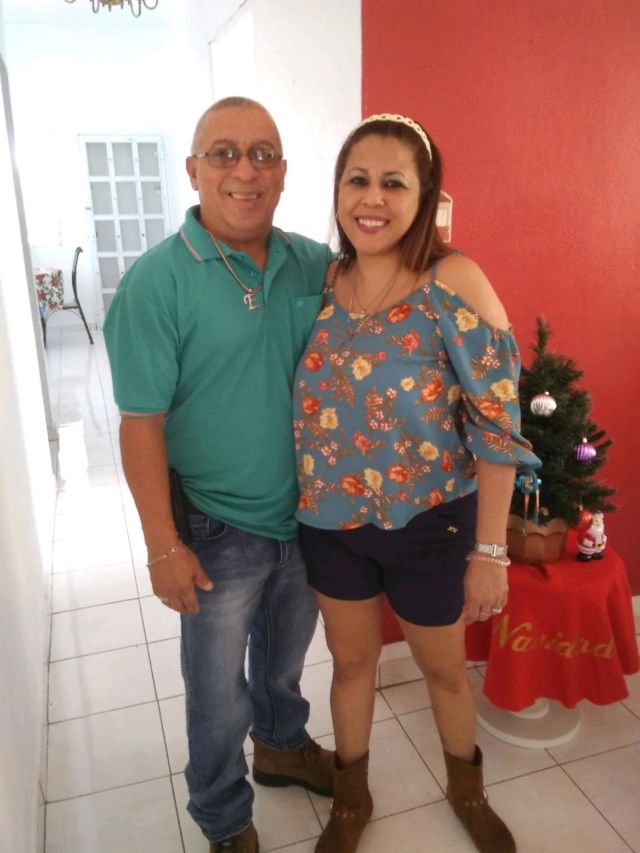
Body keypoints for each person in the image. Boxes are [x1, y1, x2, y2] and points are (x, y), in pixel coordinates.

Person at [293, 113, 541, 853]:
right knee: (351, 665)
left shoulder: (452, 281)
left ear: (425, 194)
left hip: (430, 524)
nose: (372, 198)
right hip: (331, 522)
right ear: (338, 191)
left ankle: (467, 790)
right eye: (357, 180)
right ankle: (350, 799)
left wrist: (490, 550)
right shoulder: (323, 283)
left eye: (393, 183)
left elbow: (497, 424)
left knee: (443, 670)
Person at [103, 96, 335, 853]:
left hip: (305, 517)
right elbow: (141, 423)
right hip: (214, 526)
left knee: (284, 662)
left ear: (283, 172)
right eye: (225, 153)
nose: (245, 170)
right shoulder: (156, 283)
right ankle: (224, 815)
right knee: (216, 693)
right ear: (193, 169)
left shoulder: (312, 263)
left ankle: (282, 746)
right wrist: (162, 545)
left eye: (262, 154)